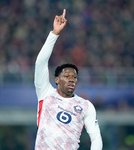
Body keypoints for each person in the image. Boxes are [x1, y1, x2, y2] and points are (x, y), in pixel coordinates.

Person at [34, 9, 103, 150]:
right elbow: (40, 63)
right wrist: (54, 34)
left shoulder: (85, 106)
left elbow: (96, 137)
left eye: (75, 77)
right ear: (57, 80)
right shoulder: (46, 94)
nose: (72, 80)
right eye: (67, 76)